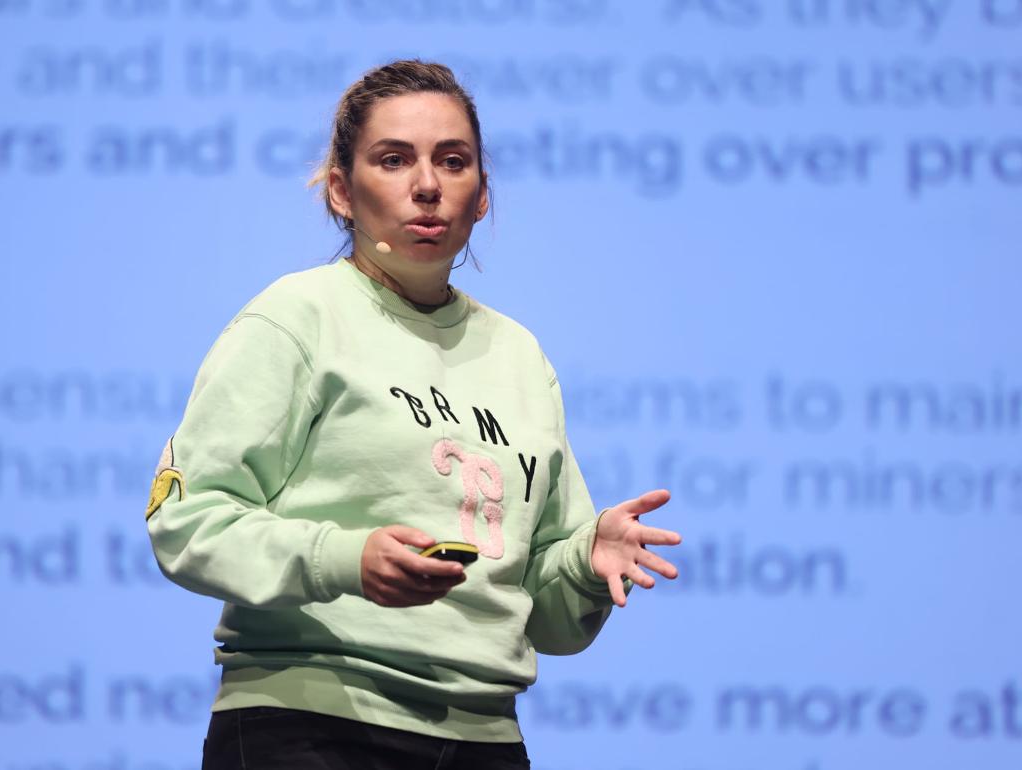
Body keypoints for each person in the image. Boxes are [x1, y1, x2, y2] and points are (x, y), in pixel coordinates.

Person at [144, 59, 682, 770]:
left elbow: (545, 618)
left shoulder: (519, 355)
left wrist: (585, 564)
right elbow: (185, 521)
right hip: (308, 724)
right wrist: (346, 560)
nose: (427, 185)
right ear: (341, 188)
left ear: (482, 194)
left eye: (453, 162)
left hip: (485, 739)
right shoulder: (296, 319)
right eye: (394, 160)